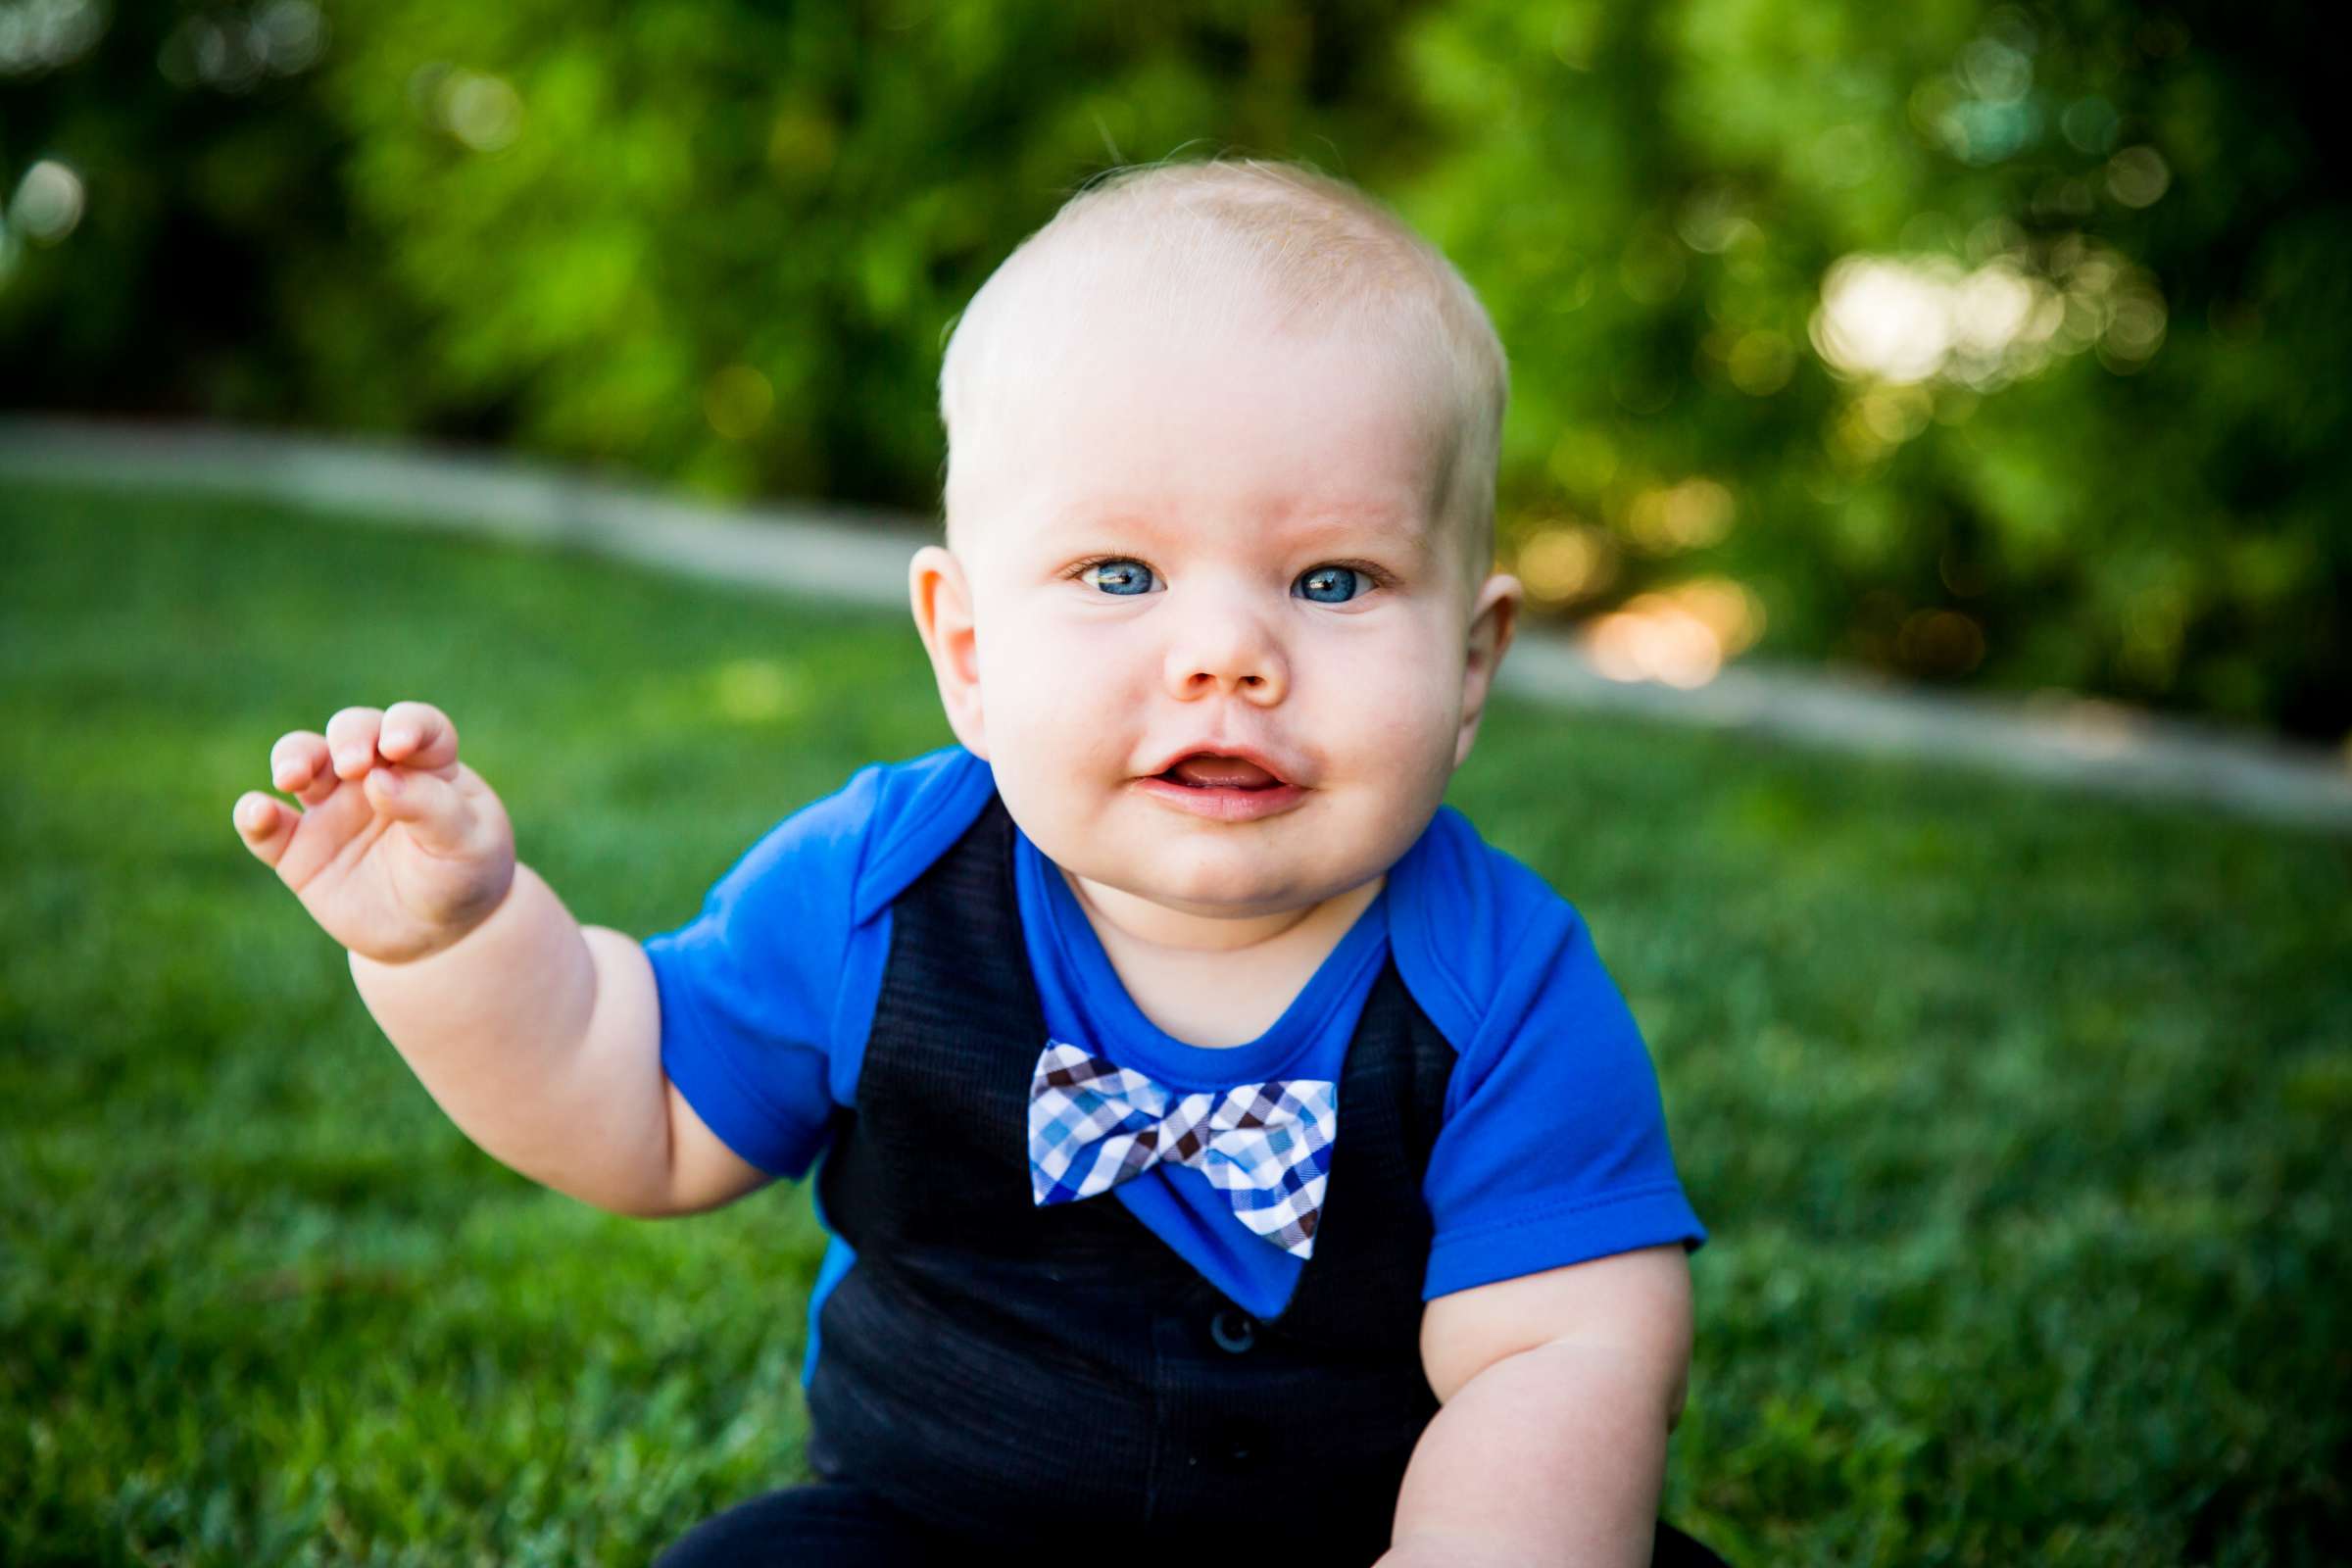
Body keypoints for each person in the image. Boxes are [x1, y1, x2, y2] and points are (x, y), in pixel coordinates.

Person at [232, 156, 1725, 1567]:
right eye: (1118, 574)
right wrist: (456, 946)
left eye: (1335, 580)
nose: (1225, 655)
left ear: (1469, 663)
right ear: (966, 649)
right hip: (933, 1531)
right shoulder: (878, 884)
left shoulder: (1505, 985)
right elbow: (644, 1106)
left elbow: (1562, 1355)